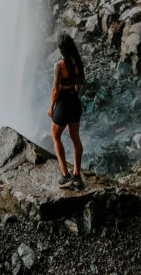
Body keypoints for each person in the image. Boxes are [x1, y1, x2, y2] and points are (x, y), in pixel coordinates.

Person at [48, 32, 85, 189]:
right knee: (75, 138)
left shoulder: (59, 65)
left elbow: (56, 89)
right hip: (74, 102)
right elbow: (79, 84)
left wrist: (51, 107)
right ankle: (77, 175)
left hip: (63, 103)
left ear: (60, 48)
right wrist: (74, 96)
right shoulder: (77, 62)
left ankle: (65, 175)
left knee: (56, 136)